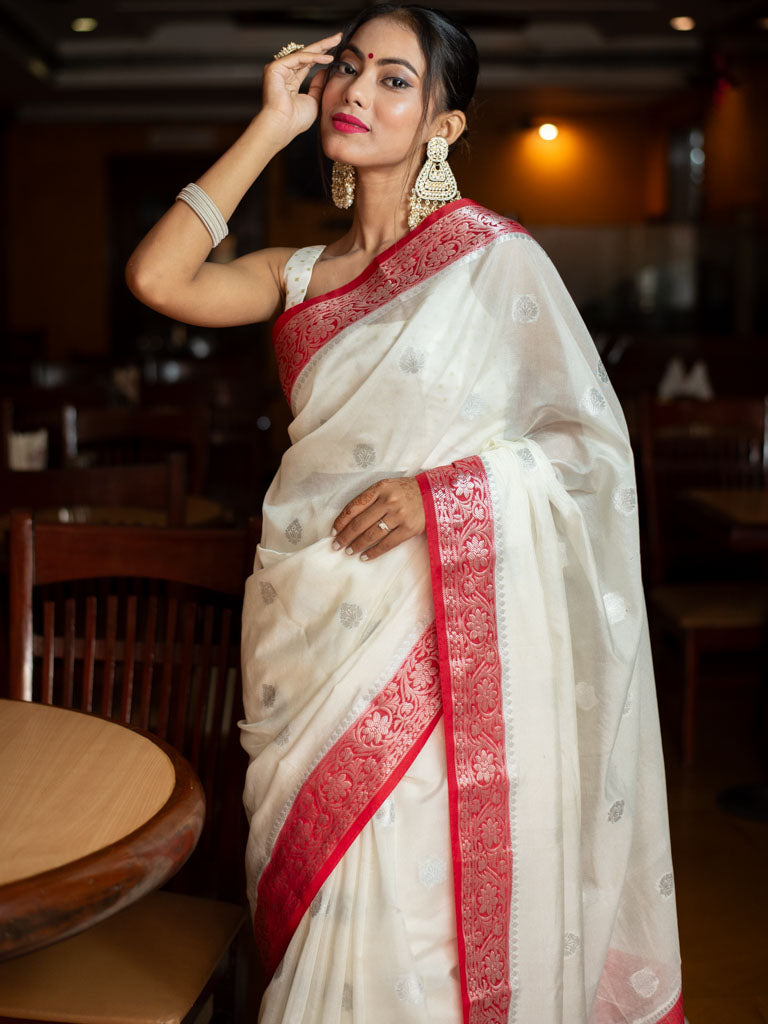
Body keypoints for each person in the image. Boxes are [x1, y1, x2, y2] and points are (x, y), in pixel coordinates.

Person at [126, 5, 684, 1022]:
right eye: (347, 70)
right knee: (321, 913)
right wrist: (267, 126)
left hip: (434, 646)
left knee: (414, 928)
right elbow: (155, 277)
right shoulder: (297, 273)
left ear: (443, 122)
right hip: (305, 632)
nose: (356, 92)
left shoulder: (493, 258)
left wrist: (444, 499)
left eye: (393, 78)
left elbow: (586, 452)